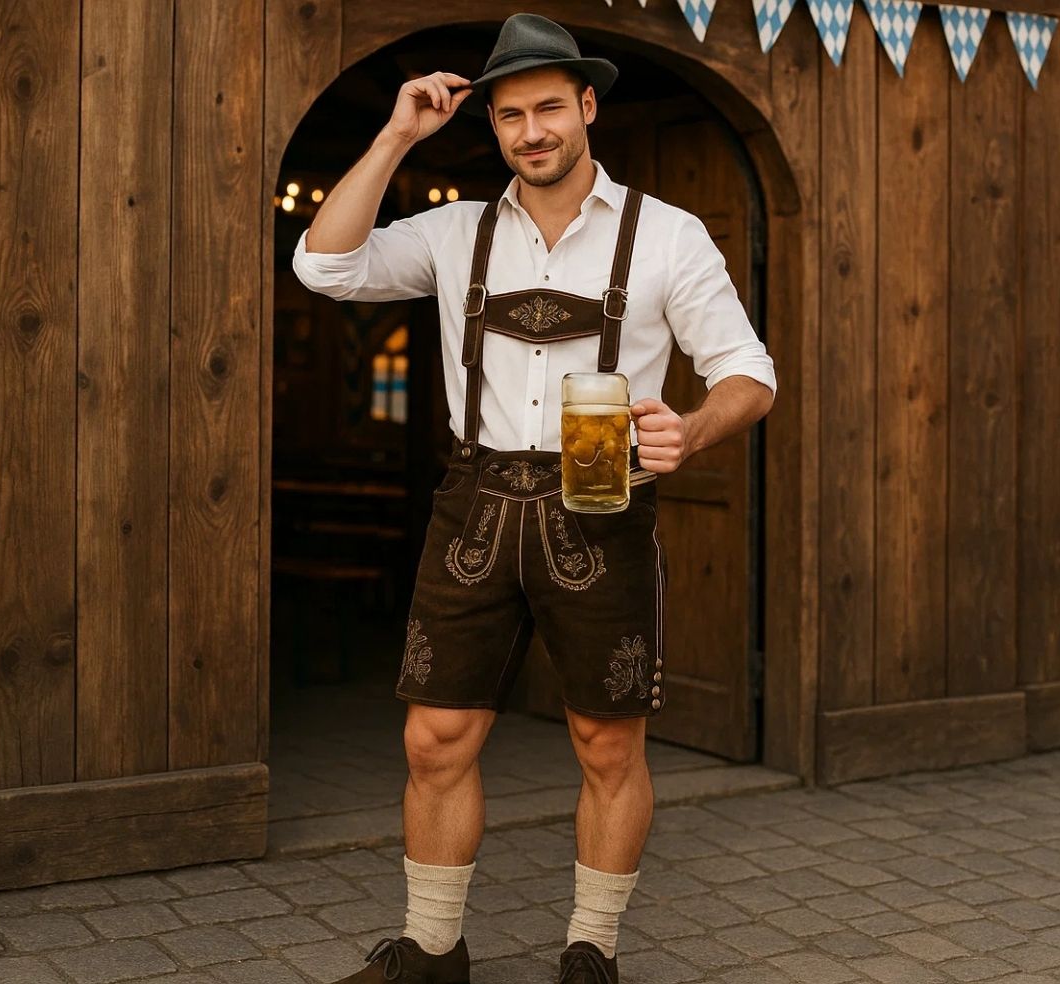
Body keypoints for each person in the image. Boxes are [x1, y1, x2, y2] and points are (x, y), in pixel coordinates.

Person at [292, 13, 776, 983]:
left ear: (586, 107)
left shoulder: (665, 236)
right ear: (495, 127)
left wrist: (691, 427)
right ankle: (432, 951)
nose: (531, 130)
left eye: (549, 106)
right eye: (510, 114)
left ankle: (590, 950)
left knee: (605, 741)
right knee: (434, 739)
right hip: (475, 499)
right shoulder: (452, 232)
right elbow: (326, 266)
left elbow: (747, 374)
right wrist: (395, 134)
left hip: (600, 506)